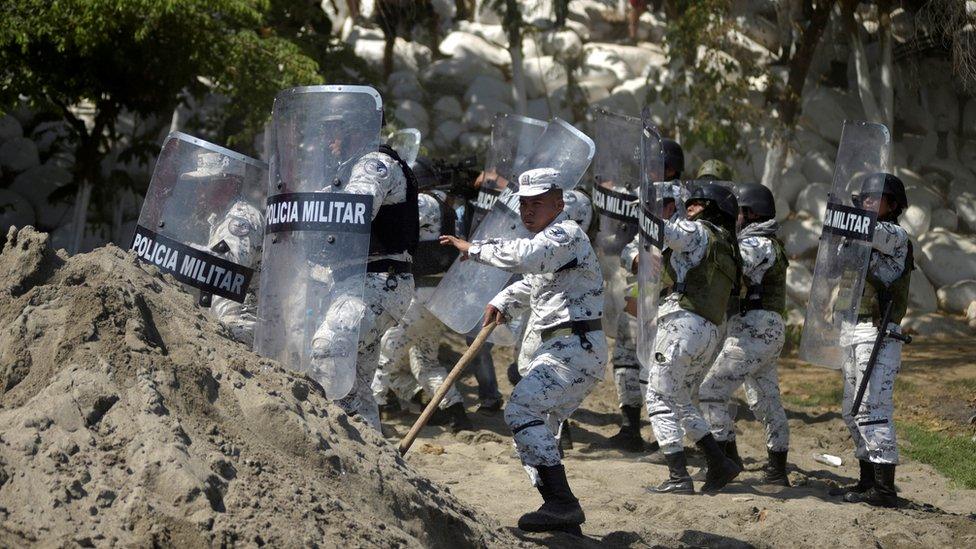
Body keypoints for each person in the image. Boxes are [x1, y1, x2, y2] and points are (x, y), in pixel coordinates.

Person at [440, 168, 607, 534]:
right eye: (524, 204)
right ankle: (564, 521)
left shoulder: (566, 234)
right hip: (566, 347)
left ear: (559, 203)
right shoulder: (553, 241)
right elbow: (532, 284)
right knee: (536, 435)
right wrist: (502, 301)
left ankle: (561, 504)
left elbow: (529, 257)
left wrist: (475, 249)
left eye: (537, 203)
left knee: (520, 409)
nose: (528, 211)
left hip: (573, 346)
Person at [310, 129, 420, 432]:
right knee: (354, 388)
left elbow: (359, 207)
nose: (330, 140)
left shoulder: (374, 163)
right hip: (354, 283)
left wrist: (311, 213)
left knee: (328, 348)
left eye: (336, 132)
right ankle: (373, 465)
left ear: (356, 127)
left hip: (378, 280)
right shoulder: (346, 169)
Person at [642, 182, 744, 494]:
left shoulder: (698, 231)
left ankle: (677, 476)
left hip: (682, 325)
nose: (690, 206)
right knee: (681, 398)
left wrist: (643, 210)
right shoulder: (728, 245)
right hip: (710, 331)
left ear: (712, 209)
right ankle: (718, 462)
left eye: (698, 203)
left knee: (657, 396)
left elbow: (666, 233)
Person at [698, 183, 791, 486]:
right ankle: (777, 469)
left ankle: (726, 460)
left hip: (754, 330)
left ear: (749, 213)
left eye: (739, 212)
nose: (734, 218)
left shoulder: (757, 244)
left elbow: (734, 266)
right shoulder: (766, 242)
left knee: (710, 391)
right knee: (766, 401)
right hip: (762, 330)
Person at [838, 173, 913, 508]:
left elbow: (869, 230)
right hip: (853, 329)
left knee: (873, 408)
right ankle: (867, 480)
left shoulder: (894, 235)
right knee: (852, 410)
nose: (867, 203)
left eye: (875, 198)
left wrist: (842, 215)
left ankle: (884, 488)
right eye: (863, 198)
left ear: (893, 205)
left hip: (878, 332)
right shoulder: (857, 237)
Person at [373, 189, 473, 432]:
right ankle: (454, 412)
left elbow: (394, 232)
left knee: (382, 355)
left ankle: (374, 410)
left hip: (417, 298)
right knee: (425, 361)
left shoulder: (422, 202)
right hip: (438, 299)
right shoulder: (445, 210)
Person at [613, 138, 684, 453]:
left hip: (668, 289)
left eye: (654, 166)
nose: (647, 171)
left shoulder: (680, 198)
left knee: (653, 361)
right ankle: (630, 427)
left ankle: (664, 436)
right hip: (639, 283)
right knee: (626, 355)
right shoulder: (646, 194)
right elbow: (635, 239)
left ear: (669, 168)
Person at [207, 201, 265, 345]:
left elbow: (233, 270)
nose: (201, 190)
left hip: (239, 324)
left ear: (228, 182)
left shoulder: (241, 216)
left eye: (205, 183)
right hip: (223, 320)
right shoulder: (219, 217)